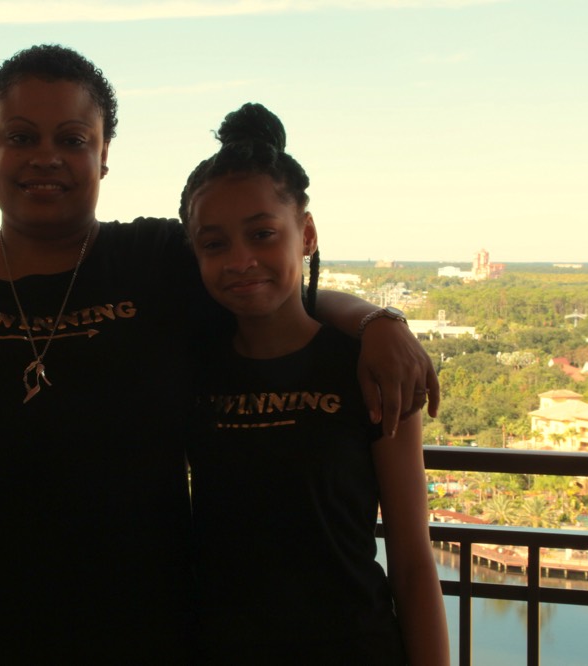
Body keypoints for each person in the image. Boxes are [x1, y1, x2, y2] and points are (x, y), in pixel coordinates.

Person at [0, 45, 439, 664]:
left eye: (72, 139)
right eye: (20, 136)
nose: (45, 156)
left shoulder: (153, 260)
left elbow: (261, 280)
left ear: (104, 155)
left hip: (135, 631)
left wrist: (380, 320)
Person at [179, 103, 449, 664]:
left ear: (305, 235)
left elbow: (411, 555)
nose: (240, 260)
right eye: (215, 244)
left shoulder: (367, 367)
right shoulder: (188, 366)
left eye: (261, 234)